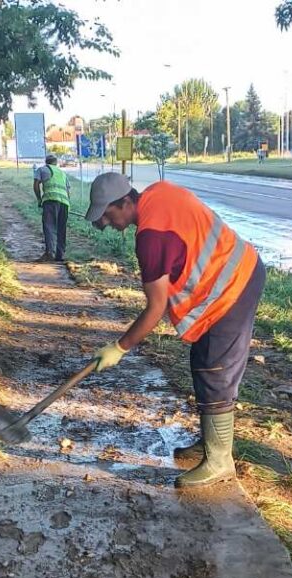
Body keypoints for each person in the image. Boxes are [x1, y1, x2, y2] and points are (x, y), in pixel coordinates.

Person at [82, 172, 266, 488]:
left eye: (109, 215)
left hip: (233, 286)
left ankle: (220, 461)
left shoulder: (151, 238)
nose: (109, 224)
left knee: (215, 369)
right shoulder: (159, 192)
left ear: (125, 202)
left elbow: (156, 308)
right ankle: (211, 442)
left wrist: (120, 347)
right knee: (203, 362)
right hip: (234, 274)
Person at [32, 154, 69, 262]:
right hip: (64, 203)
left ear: (46, 162)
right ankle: (60, 255)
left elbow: (36, 185)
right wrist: (67, 204)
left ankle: (49, 254)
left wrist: (39, 199)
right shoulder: (62, 173)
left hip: (50, 200)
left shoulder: (42, 169)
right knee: (61, 229)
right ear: (56, 163)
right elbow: (67, 190)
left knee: (49, 227)